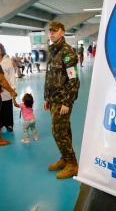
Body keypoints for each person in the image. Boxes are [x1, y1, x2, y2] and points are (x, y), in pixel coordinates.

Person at [44, 21, 80, 179]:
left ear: (62, 32)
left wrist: (67, 102)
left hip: (63, 100)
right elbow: (49, 76)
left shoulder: (67, 52)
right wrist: (47, 97)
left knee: (58, 131)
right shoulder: (52, 51)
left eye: (55, 31)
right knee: (64, 130)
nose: (51, 33)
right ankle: (65, 158)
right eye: (50, 31)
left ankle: (72, 164)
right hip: (53, 99)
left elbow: (74, 80)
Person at [0, 42, 16, 132]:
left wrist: (12, 88)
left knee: (7, 106)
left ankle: (9, 124)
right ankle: (0, 123)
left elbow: (12, 74)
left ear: (2, 49)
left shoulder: (7, 60)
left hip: (7, 87)